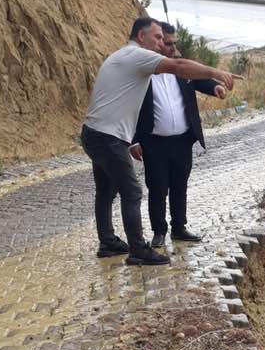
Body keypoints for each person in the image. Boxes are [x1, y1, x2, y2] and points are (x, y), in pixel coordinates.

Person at [81, 17, 233, 265]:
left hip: (94, 132)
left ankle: (108, 242)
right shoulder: (137, 55)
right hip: (108, 137)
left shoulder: (122, 55)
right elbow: (180, 66)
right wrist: (216, 71)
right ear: (141, 37)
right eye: (158, 38)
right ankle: (138, 250)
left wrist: (210, 83)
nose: (161, 43)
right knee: (132, 192)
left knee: (106, 191)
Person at [133, 22, 228, 248]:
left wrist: (214, 87)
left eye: (175, 43)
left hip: (183, 140)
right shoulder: (139, 70)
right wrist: (133, 140)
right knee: (157, 188)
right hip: (153, 142)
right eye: (167, 43)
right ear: (156, 42)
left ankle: (179, 227)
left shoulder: (181, 68)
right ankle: (158, 231)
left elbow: (199, 79)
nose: (172, 48)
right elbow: (128, 107)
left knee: (180, 185)